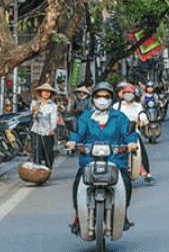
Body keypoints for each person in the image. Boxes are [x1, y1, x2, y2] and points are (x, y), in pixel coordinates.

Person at [67, 82, 137, 233]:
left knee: (126, 181)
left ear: (112, 99)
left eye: (106, 96)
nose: (102, 99)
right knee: (77, 183)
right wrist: (72, 141)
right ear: (93, 98)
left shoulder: (120, 117)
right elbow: (78, 133)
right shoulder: (85, 117)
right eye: (99, 96)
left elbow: (128, 133)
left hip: (115, 162)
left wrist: (131, 142)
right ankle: (77, 216)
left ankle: (123, 213)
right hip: (89, 162)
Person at [114, 84, 154, 183]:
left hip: (134, 133)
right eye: (126, 93)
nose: (128, 95)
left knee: (142, 151)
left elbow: (142, 114)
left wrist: (144, 119)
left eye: (130, 93)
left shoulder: (138, 106)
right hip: (120, 134)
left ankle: (147, 173)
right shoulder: (117, 106)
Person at [30, 83, 59, 168]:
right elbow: (32, 114)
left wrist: (52, 128)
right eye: (45, 91)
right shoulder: (34, 103)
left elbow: (53, 118)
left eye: (49, 92)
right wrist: (34, 111)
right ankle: (36, 171)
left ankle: (48, 169)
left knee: (48, 153)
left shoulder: (52, 105)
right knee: (37, 152)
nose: (47, 93)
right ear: (41, 93)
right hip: (36, 131)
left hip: (47, 132)